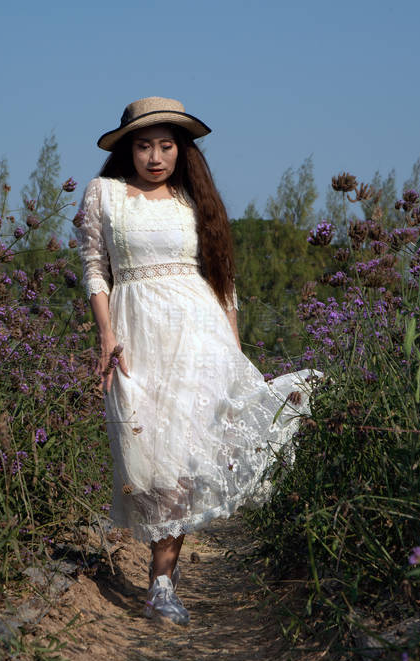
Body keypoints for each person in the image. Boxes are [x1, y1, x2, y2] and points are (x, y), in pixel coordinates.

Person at [75, 96, 319, 625]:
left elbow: (221, 281)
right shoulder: (105, 194)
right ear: (128, 150)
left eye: (166, 145)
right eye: (144, 146)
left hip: (198, 334)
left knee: (183, 460)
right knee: (148, 461)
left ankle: (161, 581)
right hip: (136, 336)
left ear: (182, 150)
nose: (156, 157)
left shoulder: (194, 201)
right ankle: (164, 572)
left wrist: (232, 350)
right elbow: (95, 269)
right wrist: (106, 335)